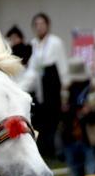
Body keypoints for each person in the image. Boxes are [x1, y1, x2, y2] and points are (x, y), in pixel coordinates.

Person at [19, 13, 69, 161]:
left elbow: (63, 66)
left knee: (55, 121)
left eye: (42, 24)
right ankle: (46, 152)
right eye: (36, 24)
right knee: (42, 122)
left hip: (53, 84)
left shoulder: (55, 42)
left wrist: (65, 90)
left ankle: (57, 152)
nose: (39, 27)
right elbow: (32, 71)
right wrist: (19, 88)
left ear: (48, 25)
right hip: (39, 87)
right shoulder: (33, 44)